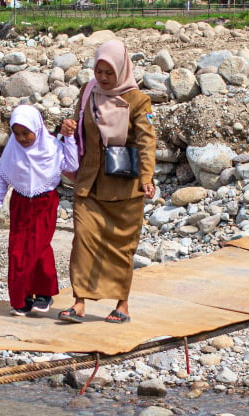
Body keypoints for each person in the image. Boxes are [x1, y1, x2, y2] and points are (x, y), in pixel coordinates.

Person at [58, 39, 156, 324]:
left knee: (121, 247)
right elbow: (79, 128)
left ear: (121, 69)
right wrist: (66, 127)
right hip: (89, 183)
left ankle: (122, 305)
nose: (102, 78)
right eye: (98, 71)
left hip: (125, 186)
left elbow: (147, 141)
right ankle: (78, 303)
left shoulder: (138, 100)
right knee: (84, 241)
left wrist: (147, 177)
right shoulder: (88, 92)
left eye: (108, 73)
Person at [0, 104, 79, 316]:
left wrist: (70, 139)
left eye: (26, 133)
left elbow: (72, 165)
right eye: (16, 133)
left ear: (37, 129)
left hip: (45, 203)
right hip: (20, 203)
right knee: (18, 249)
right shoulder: (13, 150)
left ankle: (44, 293)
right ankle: (21, 298)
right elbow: (1, 177)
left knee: (39, 248)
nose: (22, 138)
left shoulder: (53, 147)